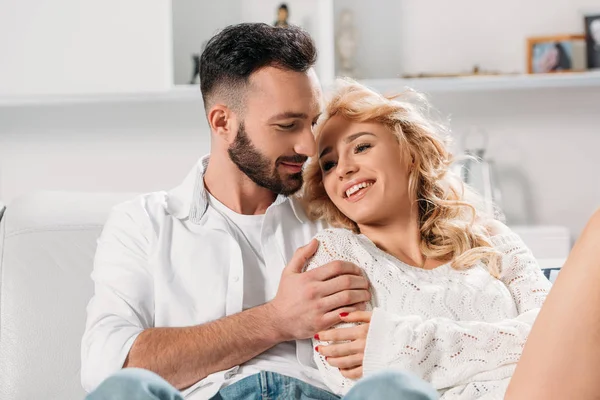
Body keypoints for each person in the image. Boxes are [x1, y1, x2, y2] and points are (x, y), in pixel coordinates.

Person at [81, 24, 439, 400]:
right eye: (287, 126)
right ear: (223, 123)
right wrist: (275, 320)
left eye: (312, 121)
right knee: (124, 390)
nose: (309, 145)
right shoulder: (144, 223)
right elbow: (105, 366)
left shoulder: (338, 210)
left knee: (397, 390)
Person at [301, 79, 553, 399]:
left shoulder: (491, 239)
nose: (344, 169)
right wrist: (516, 349)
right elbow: (355, 383)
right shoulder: (334, 253)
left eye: (361, 147)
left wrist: (400, 344)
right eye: (329, 164)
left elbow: (561, 338)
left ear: (409, 152)